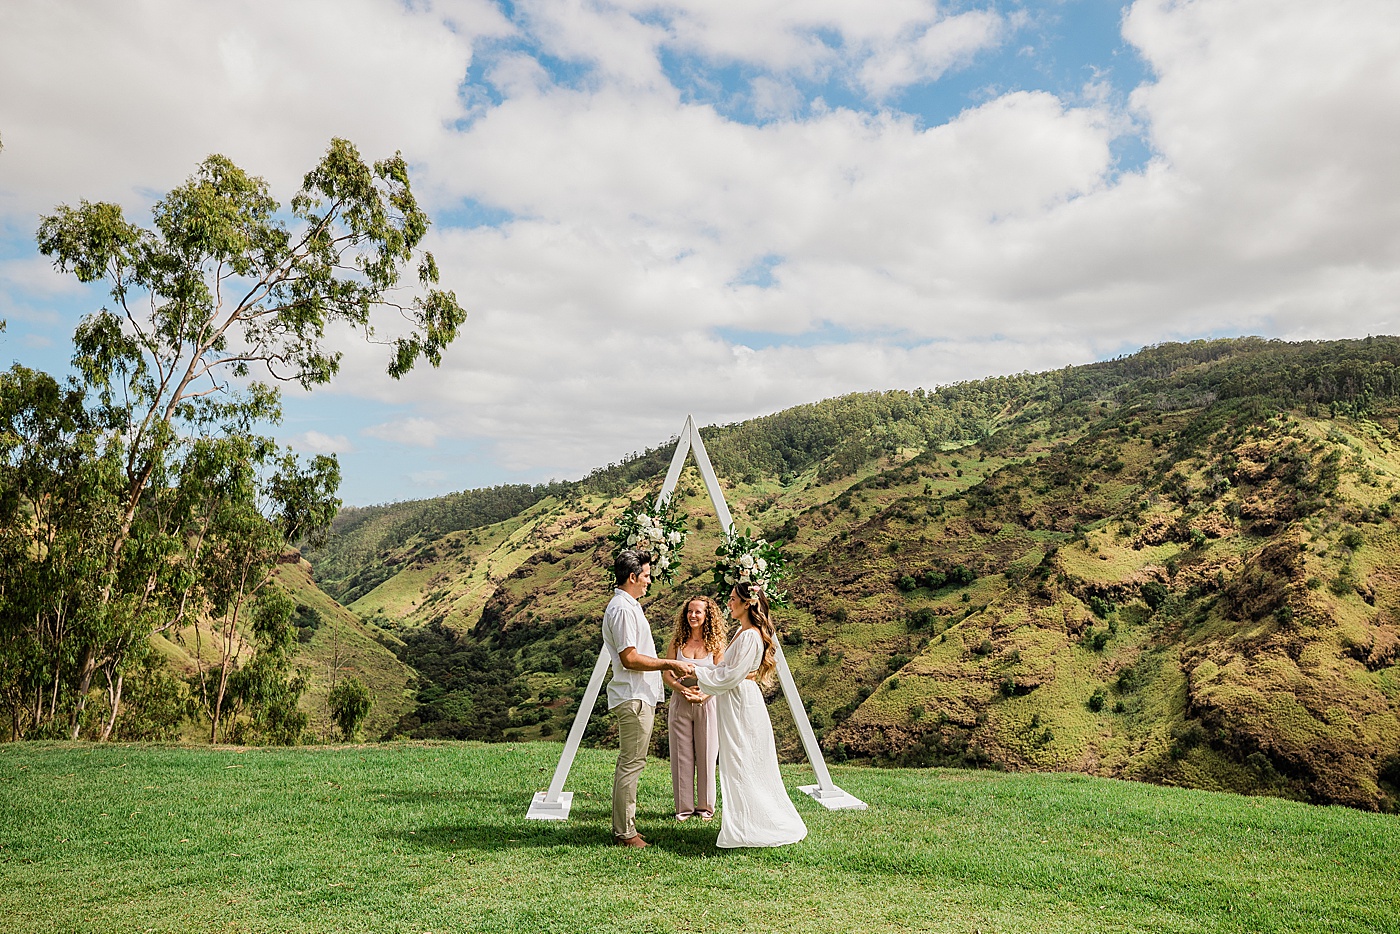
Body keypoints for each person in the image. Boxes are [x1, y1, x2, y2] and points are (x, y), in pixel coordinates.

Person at [688, 580, 807, 848]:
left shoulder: (751, 635)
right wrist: (704, 675)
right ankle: (743, 824)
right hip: (735, 702)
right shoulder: (741, 633)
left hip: (742, 704)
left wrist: (698, 673)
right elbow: (726, 672)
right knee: (737, 763)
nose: (728, 603)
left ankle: (753, 826)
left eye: (732, 599)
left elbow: (731, 676)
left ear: (747, 603)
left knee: (743, 762)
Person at [601, 549, 695, 849]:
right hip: (633, 696)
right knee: (631, 764)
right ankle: (625, 833)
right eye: (646, 576)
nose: (649, 582)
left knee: (632, 762)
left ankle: (626, 829)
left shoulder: (628, 606)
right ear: (632, 577)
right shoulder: (623, 609)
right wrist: (670, 664)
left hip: (636, 694)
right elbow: (629, 658)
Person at [661, 595, 726, 822]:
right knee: (681, 755)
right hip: (680, 701)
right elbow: (666, 672)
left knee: (707, 754)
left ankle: (706, 808)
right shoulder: (678, 641)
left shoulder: (716, 645)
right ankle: (683, 809)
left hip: (707, 702)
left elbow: (722, 676)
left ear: (708, 616)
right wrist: (680, 690)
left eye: (698, 612)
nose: (693, 616)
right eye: (690, 611)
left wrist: (703, 693)